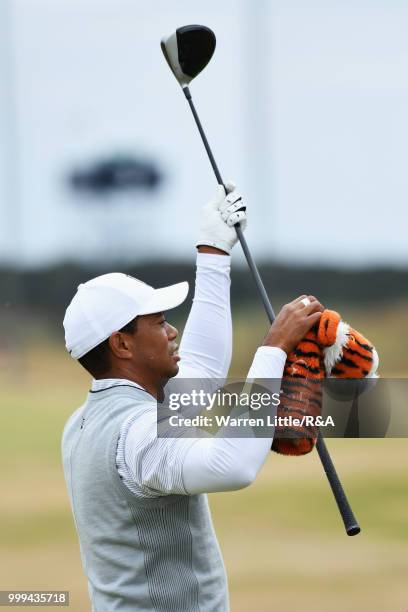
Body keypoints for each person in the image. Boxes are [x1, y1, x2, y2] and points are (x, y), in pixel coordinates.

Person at [61, 183, 324, 612]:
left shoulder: (90, 420)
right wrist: (273, 350)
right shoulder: (138, 434)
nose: (172, 331)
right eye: (159, 323)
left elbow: (200, 367)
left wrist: (214, 251)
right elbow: (232, 465)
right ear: (122, 345)